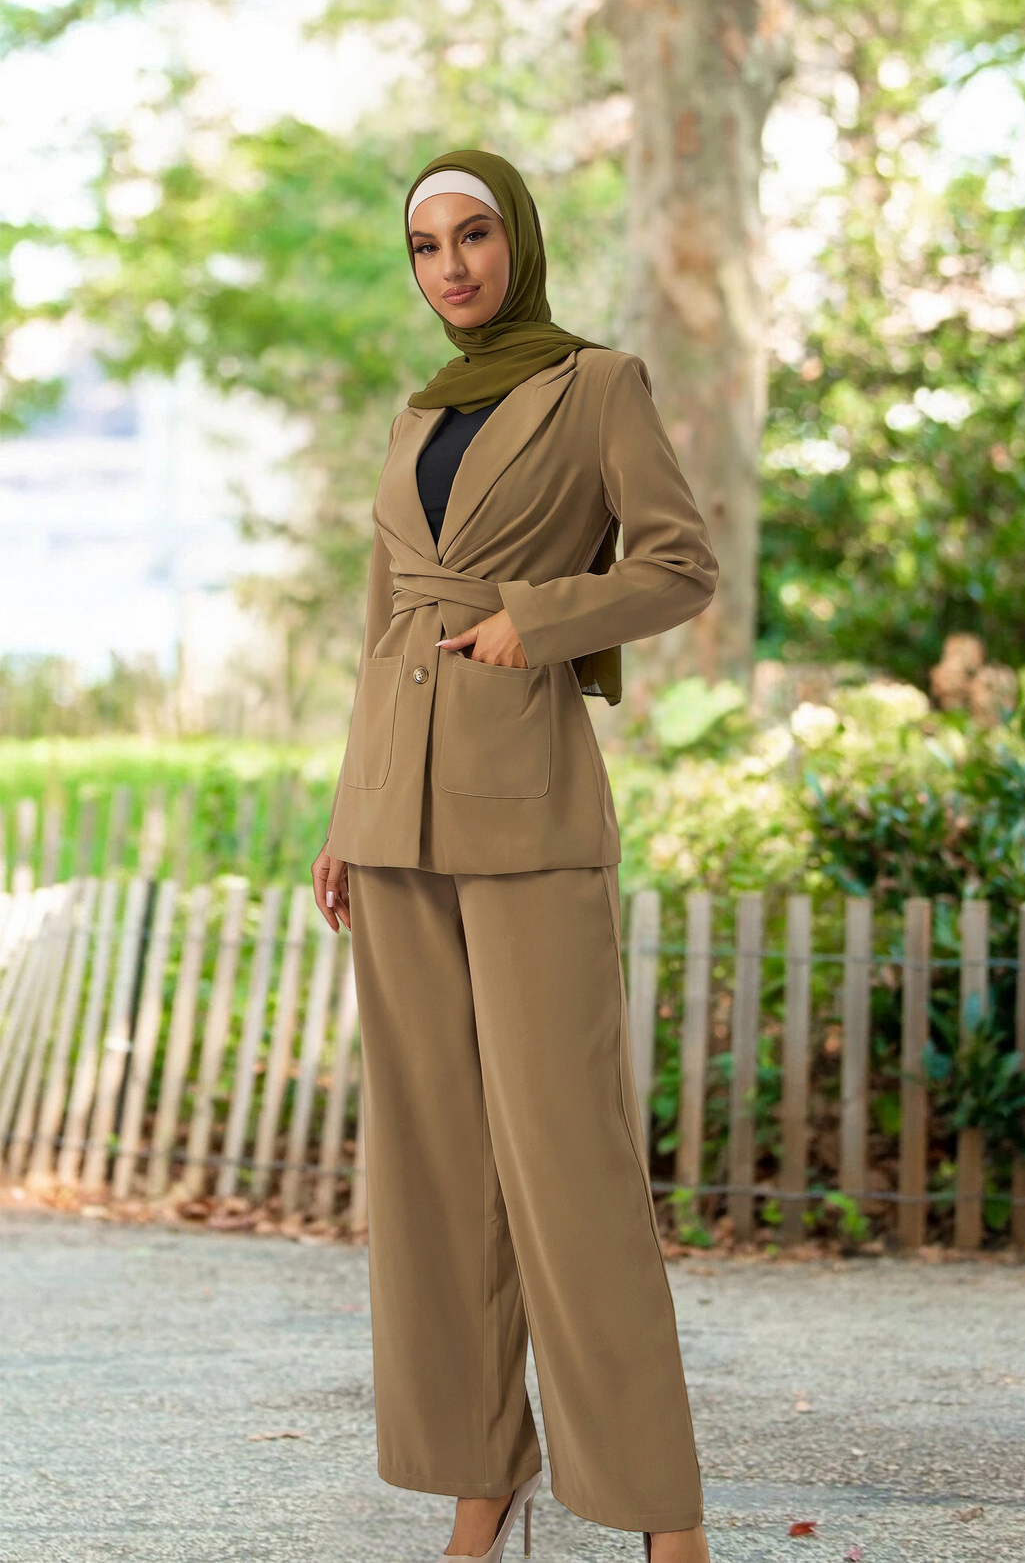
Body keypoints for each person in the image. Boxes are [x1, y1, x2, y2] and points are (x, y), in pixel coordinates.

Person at [310, 148, 718, 1563]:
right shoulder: (419, 408)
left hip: (530, 808)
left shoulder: (597, 385)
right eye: (425, 247)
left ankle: (661, 1506)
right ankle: (485, 1473)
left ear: (517, 238)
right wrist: (345, 819)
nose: (453, 267)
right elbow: (377, 631)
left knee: (568, 1166)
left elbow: (680, 564)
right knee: (434, 1173)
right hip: (398, 821)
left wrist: (531, 621)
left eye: (474, 235)